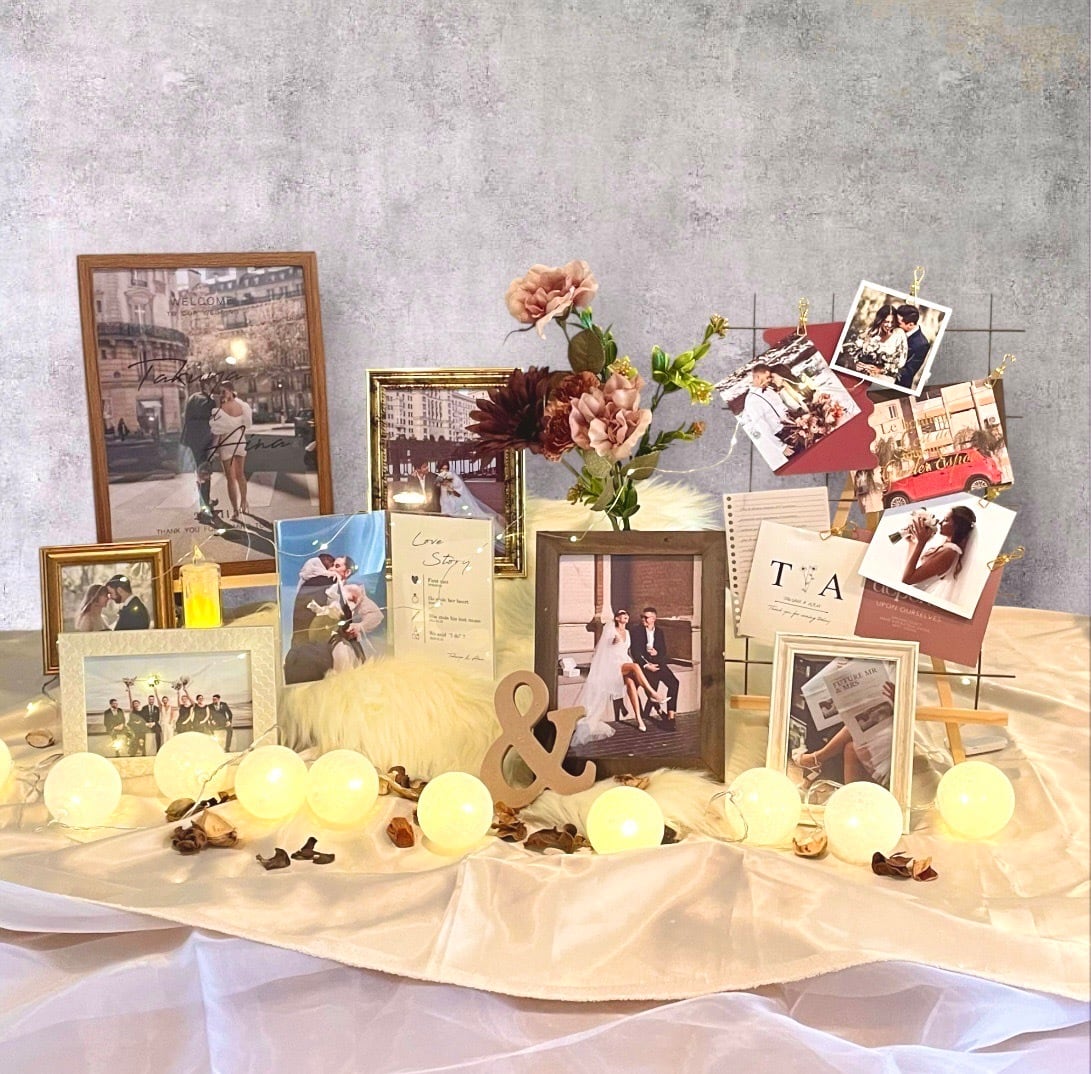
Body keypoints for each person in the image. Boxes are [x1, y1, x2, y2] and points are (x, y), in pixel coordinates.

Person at [570, 610, 668, 746]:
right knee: (635, 667)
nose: (626, 615)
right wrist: (612, 642)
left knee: (631, 683)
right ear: (616, 618)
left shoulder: (627, 633)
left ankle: (639, 720)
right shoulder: (611, 631)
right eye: (622, 614)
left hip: (624, 663)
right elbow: (603, 649)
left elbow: (628, 651)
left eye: (627, 614)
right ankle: (653, 693)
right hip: (613, 665)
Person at [901, 505, 976, 602]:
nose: (940, 522)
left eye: (946, 520)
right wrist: (912, 543)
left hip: (913, 598)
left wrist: (921, 543)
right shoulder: (945, 546)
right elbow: (909, 570)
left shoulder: (949, 552)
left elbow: (907, 580)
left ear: (957, 526)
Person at [630, 606, 680, 730]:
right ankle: (658, 710)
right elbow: (635, 652)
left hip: (658, 663)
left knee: (674, 683)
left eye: (646, 617)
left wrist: (657, 653)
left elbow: (664, 651)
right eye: (642, 617)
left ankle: (671, 717)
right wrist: (646, 665)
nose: (643, 619)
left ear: (653, 619)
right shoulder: (636, 631)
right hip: (645, 665)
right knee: (653, 686)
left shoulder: (659, 632)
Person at [209, 382, 253, 519]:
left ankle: (236, 510)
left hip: (227, 445)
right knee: (240, 475)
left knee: (231, 478)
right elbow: (247, 425)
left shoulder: (220, 409)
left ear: (231, 391)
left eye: (224, 392)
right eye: (221, 392)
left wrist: (213, 450)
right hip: (239, 442)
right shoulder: (243, 407)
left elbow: (217, 433)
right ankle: (243, 503)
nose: (222, 395)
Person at [180, 372, 219, 523]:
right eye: (213, 382)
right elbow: (213, 425)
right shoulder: (210, 402)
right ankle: (205, 508)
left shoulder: (192, 398)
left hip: (191, 441)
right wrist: (214, 446)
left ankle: (204, 503)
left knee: (199, 474)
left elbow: (186, 419)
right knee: (205, 474)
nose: (215, 385)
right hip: (204, 442)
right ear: (207, 385)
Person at [436, 461, 505, 546]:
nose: (444, 471)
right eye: (442, 469)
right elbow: (440, 489)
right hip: (446, 501)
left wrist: (451, 489)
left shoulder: (454, 477)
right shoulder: (440, 477)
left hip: (458, 501)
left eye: (446, 469)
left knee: (474, 516)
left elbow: (459, 493)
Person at [741, 364, 793, 460]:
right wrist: (781, 446)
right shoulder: (751, 401)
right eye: (767, 377)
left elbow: (782, 407)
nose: (769, 380)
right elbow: (762, 427)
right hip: (782, 437)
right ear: (757, 377)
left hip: (793, 427)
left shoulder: (770, 390)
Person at [854, 304, 908, 380]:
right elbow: (858, 353)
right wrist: (858, 363)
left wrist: (880, 370)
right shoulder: (870, 332)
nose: (889, 325)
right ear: (880, 320)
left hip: (884, 378)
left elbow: (901, 363)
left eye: (892, 322)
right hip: (864, 375)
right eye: (886, 321)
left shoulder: (899, 334)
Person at [893, 305, 932, 390]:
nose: (894, 324)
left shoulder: (921, 344)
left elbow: (908, 372)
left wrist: (884, 369)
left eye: (898, 323)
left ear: (910, 324)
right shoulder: (894, 330)